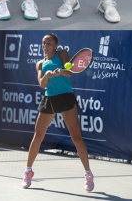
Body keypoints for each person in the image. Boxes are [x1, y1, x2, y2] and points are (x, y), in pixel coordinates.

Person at [23, 34, 94, 192]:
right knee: (38, 136)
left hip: (66, 96)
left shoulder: (62, 54)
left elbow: (70, 72)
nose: (45, 46)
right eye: (43, 43)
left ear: (56, 45)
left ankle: (88, 174)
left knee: (76, 138)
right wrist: (47, 76)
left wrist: (59, 72)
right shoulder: (39, 64)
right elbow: (42, 84)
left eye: (49, 43)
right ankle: (28, 171)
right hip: (50, 98)